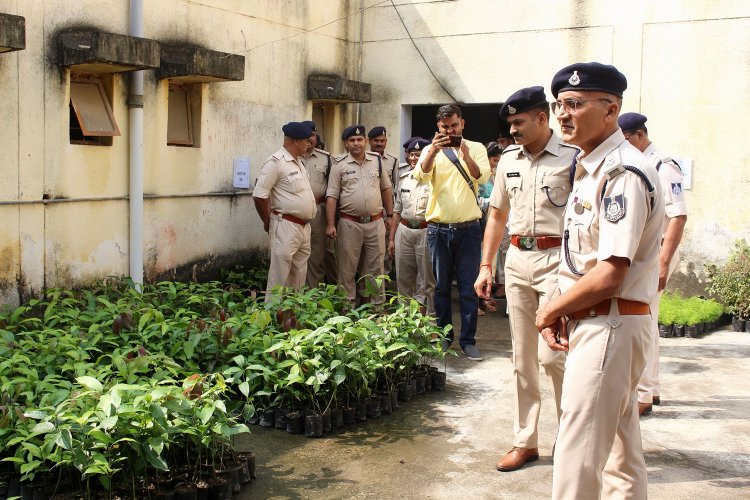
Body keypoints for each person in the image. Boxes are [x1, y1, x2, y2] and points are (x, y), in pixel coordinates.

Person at [535, 62, 665, 498]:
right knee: (619, 458)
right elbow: (578, 259)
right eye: (558, 105)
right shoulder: (592, 167)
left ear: (611, 111)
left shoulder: (621, 172)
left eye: (574, 104)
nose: (562, 115)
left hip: (609, 321)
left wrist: (552, 308)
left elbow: (610, 273)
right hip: (595, 320)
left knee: (577, 456)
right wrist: (560, 304)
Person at [475, 86, 577, 472]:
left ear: (541, 117)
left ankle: (570, 438)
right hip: (518, 260)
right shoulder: (508, 160)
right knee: (522, 359)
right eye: (510, 124)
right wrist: (488, 267)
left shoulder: (571, 157)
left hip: (558, 261)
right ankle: (525, 441)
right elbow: (497, 216)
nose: (513, 130)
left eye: (519, 122)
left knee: (554, 355)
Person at [619, 112, 688, 416]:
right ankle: (651, 388)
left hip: (656, 254)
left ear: (639, 135)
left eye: (625, 139)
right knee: (645, 320)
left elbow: (678, 216)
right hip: (643, 254)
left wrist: (663, 261)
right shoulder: (637, 164)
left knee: (644, 321)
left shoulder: (663, 165)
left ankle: (644, 394)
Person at [414, 104, 491, 361]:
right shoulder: (430, 149)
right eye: (445, 127)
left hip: (468, 229)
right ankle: (445, 338)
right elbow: (421, 176)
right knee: (441, 288)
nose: (450, 130)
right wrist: (434, 150)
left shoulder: (477, 148)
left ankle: (468, 341)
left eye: (454, 126)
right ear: (439, 127)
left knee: (469, 289)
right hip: (438, 230)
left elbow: (481, 177)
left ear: (462, 124)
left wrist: (465, 154)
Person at [326, 125, 394, 304]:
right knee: (347, 269)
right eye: (352, 140)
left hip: (376, 222)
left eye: (359, 139)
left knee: (376, 268)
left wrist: (389, 214)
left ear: (365, 141)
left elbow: (386, 189)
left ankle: (376, 309)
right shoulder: (338, 165)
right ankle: (346, 309)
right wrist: (331, 224)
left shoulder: (377, 161)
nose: (356, 143)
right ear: (346, 144)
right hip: (349, 224)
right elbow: (332, 196)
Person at [253, 121, 317, 301]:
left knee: (298, 276)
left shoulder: (298, 162)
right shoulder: (276, 162)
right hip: (285, 225)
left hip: (303, 227)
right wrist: (267, 221)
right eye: (306, 140)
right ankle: (272, 317)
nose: (310, 144)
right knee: (279, 276)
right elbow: (259, 195)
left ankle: (293, 315)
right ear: (296, 141)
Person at [388, 138, 435, 314]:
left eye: (418, 154)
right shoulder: (404, 178)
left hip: (426, 230)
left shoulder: (435, 179)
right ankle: (404, 321)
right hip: (404, 231)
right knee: (403, 278)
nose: (414, 158)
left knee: (426, 281)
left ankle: (427, 323)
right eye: (411, 155)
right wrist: (392, 239)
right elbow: (397, 210)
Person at [302, 121, 337, 288]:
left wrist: (331, 222)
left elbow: (334, 190)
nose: (310, 139)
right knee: (295, 256)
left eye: (313, 136)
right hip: (295, 213)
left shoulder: (327, 159)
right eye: (307, 136)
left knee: (317, 256)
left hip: (318, 213)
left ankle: (313, 296)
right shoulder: (290, 157)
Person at [368, 126, 400, 282]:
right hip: (370, 212)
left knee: (386, 251)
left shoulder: (392, 161)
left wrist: (391, 214)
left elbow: (396, 187)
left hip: (385, 213)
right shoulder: (364, 158)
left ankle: (384, 285)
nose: (379, 144)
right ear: (369, 142)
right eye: (376, 141)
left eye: (382, 141)